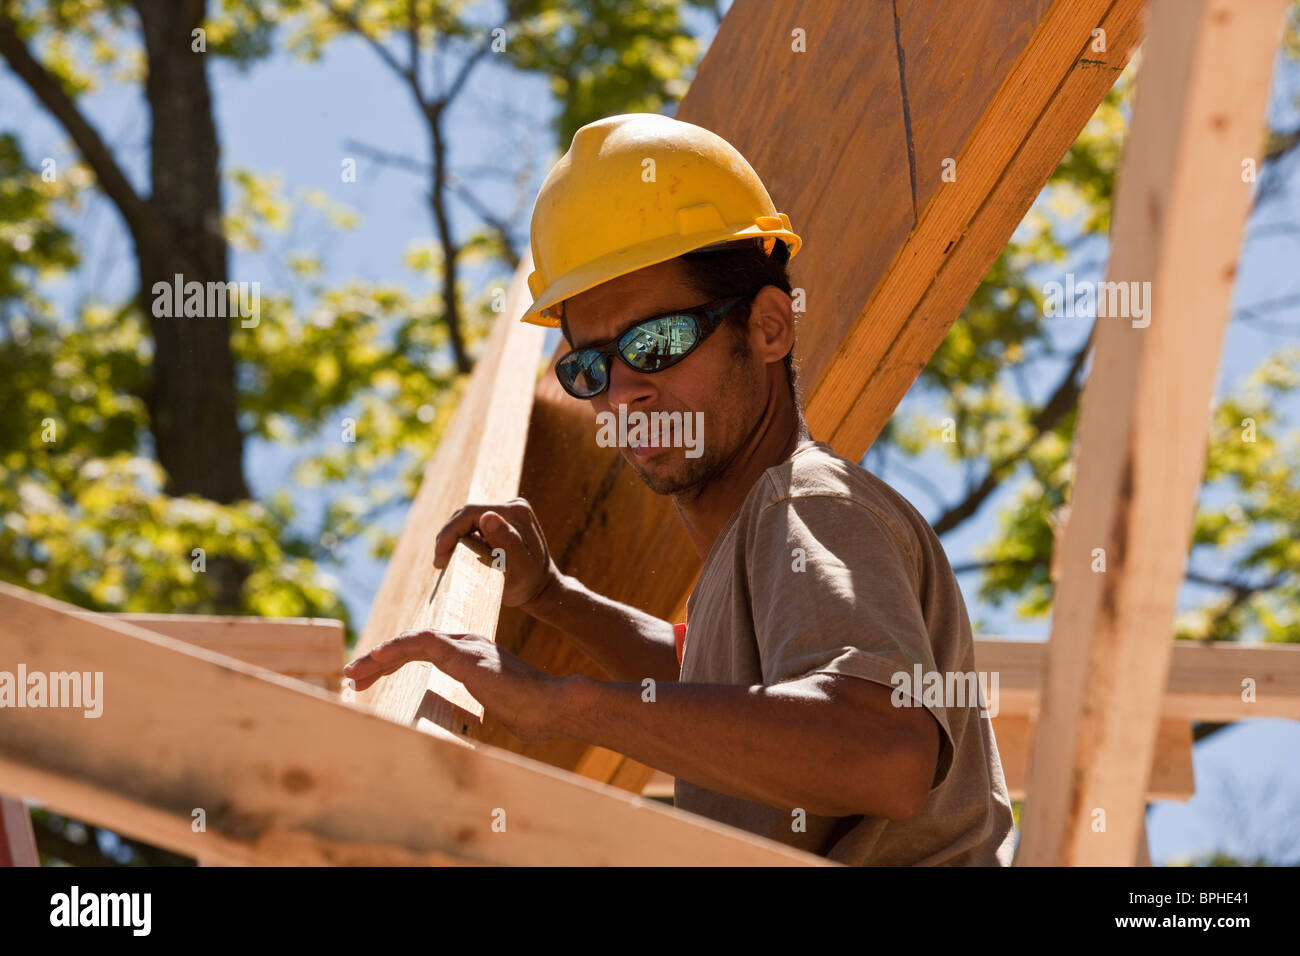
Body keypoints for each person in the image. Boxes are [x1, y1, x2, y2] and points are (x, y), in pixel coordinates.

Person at [345, 113, 1015, 865]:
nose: (622, 392)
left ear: (767, 328)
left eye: (655, 343)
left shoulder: (807, 504)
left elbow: (885, 750)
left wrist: (559, 704)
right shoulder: (758, 547)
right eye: (588, 367)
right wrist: (557, 599)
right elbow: (710, 688)